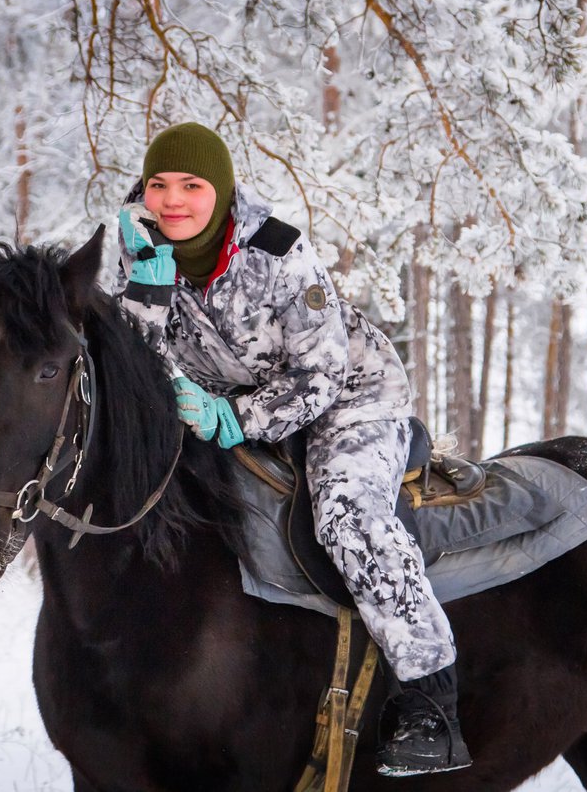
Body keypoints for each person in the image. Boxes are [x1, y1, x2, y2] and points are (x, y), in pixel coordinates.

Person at [114, 122, 472, 776]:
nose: (172, 200)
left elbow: (320, 375)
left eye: (191, 185)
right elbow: (136, 370)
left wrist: (234, 417)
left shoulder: (279, 251)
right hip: (220, 407)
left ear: (219, 191)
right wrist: (146, 288)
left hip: (347, 398)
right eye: (159, 184)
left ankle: (432, 706)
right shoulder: (139, 249)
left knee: (347, 515)